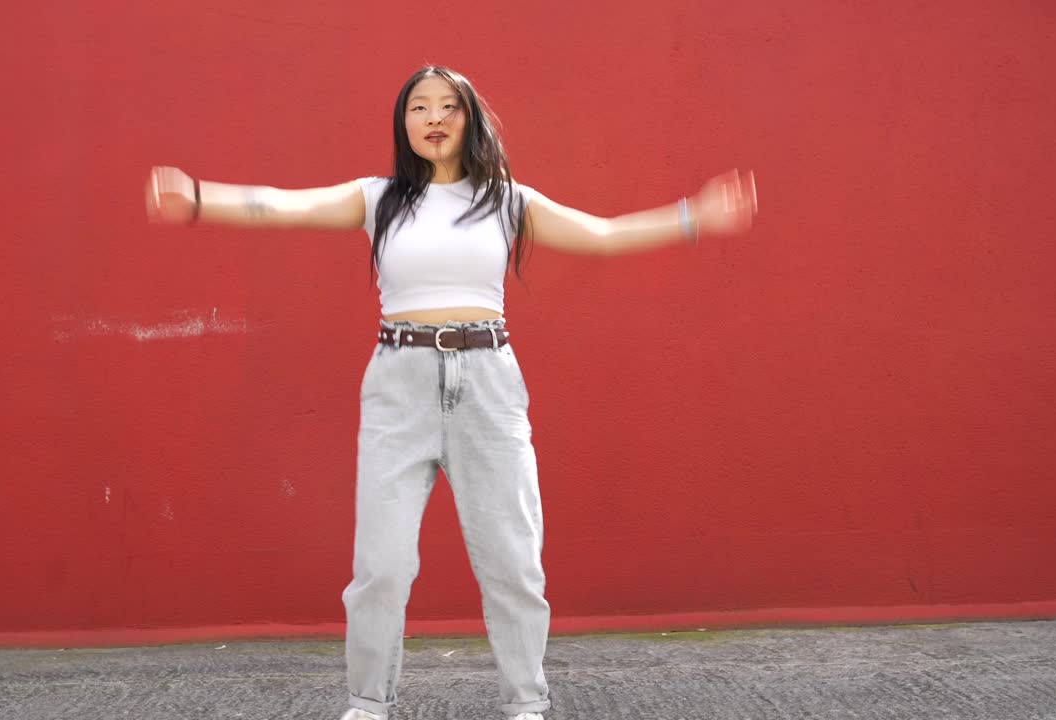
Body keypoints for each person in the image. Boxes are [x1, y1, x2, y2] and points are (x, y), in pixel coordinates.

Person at [145, 65, 756, 720]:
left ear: (471, 120)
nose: (433, 118)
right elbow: (282, 204)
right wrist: (200, 199)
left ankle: (526, 704)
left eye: (448, 107)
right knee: (380, 568)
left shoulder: (506, 200)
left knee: (513, 563)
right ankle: (367, 704)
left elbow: (601, 236)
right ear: (403, 124)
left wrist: (696, 216)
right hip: (398, 386)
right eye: (418, 108)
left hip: (488, 383)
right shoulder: (376, 199)